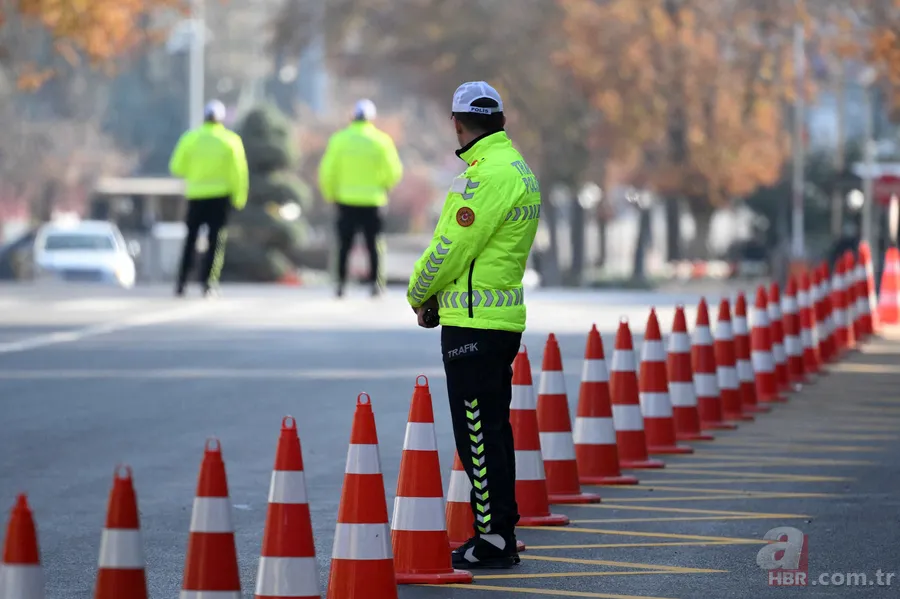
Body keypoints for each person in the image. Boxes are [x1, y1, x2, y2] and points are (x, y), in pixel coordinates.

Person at [406, 81, 541, 569]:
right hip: (496, 321)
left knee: (477, 434)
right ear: (500, 119)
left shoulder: (486, 177)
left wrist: (419, 292)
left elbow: (451, 247)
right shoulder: (517, 168)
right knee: (493, 430)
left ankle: (493, 538)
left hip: (473, 325)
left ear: (458, 124)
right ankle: (499, 528)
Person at [318, 99, 403, 298]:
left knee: (343, 245)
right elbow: (394, 170)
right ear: (372, 118)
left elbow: (327, 171)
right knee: (374, 244)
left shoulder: (339, 140)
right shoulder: (381, 141)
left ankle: (340, 284)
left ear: (352, 116)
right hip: (374, 200)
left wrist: (331, 194)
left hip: (345, 200)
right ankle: (376, 285)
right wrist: (384, 186)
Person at [169, 99, 248, 297]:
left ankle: (181, 282)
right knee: (216, 242)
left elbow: (176, 167)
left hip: (196, 196)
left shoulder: (191, 138)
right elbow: (239, 173)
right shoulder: (230, 141)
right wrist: (239, 198)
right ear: (221, 119)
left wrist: (196, 174)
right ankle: (208, 283)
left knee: (190, 241)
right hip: (220, 198)